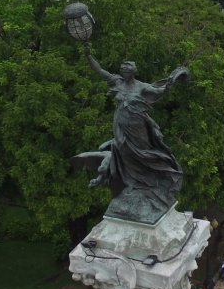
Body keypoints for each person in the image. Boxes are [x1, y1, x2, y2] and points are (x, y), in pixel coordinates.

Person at [76, 44, 190, 223]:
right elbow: (99, 70)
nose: (123, 72)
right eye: (122, 70)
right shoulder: (116, 82)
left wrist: (169, 85)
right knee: (124, 153)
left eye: (127, 70)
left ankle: (157, 180)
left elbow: (159, 92)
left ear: (133, 72)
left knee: (145, 153)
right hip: (120, 125)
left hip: (138, 127)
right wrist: (89, 56)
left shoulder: (141, 86)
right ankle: (134, 185)